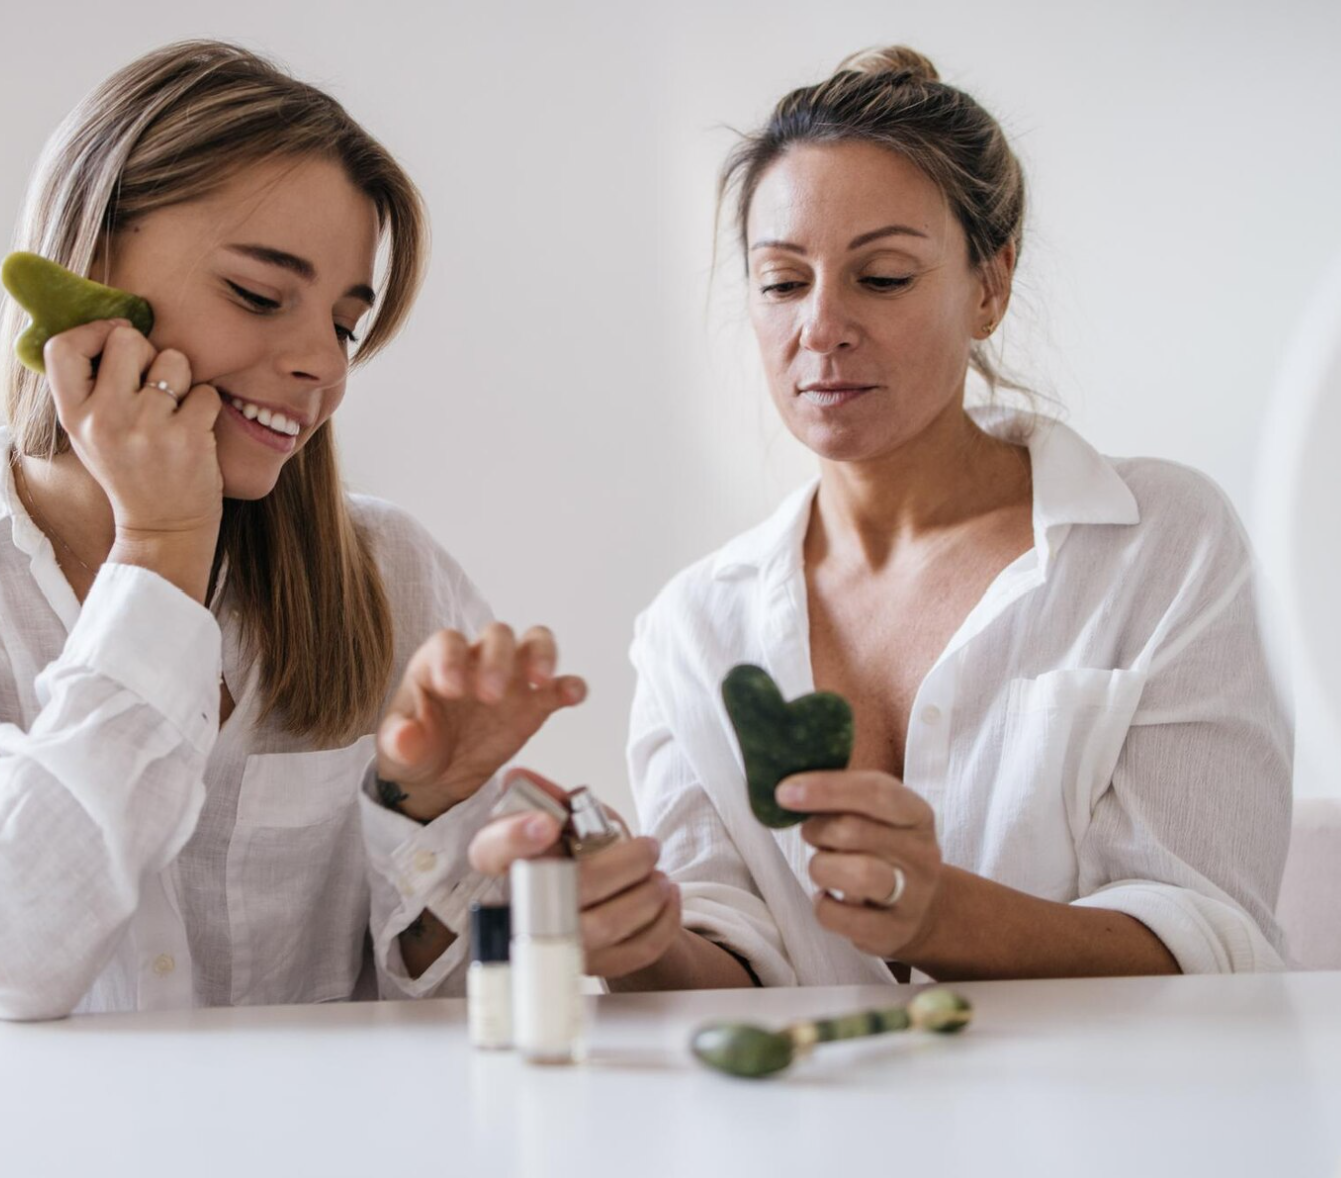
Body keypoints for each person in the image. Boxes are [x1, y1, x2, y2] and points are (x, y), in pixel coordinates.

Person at [0, 40, 585, 1019]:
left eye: (345, 325)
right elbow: (0, 949)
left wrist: (426, 815)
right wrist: (159, 551)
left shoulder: (386, 571)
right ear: (90, 268)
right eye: (260, 295)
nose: (322, 363)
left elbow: (474, 1004)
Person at [471, 46, 1291, 987]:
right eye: (783, 281)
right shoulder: (694, 630)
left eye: (884, 276)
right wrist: (627, 931)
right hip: (808, 1132)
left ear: (990, 285)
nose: (821, 327)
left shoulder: (1162, 544)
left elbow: (1217, 942)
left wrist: (942, 915)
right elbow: (729, 954)